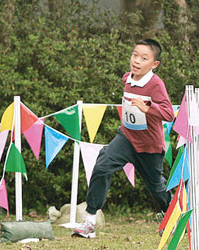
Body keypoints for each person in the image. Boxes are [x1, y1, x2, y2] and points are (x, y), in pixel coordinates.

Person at [72, 39, 174, 239]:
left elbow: (169, 114)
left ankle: (171, 216)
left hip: (149, 145)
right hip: (126, 137)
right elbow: (128, 85)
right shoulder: (128, 78)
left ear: (154, 65)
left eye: (144, 58)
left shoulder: (155, 84)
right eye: (135, 55)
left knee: (156, 187)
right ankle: (89, 222)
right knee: (102, 167)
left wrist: (148, 107)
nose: (136, 61)